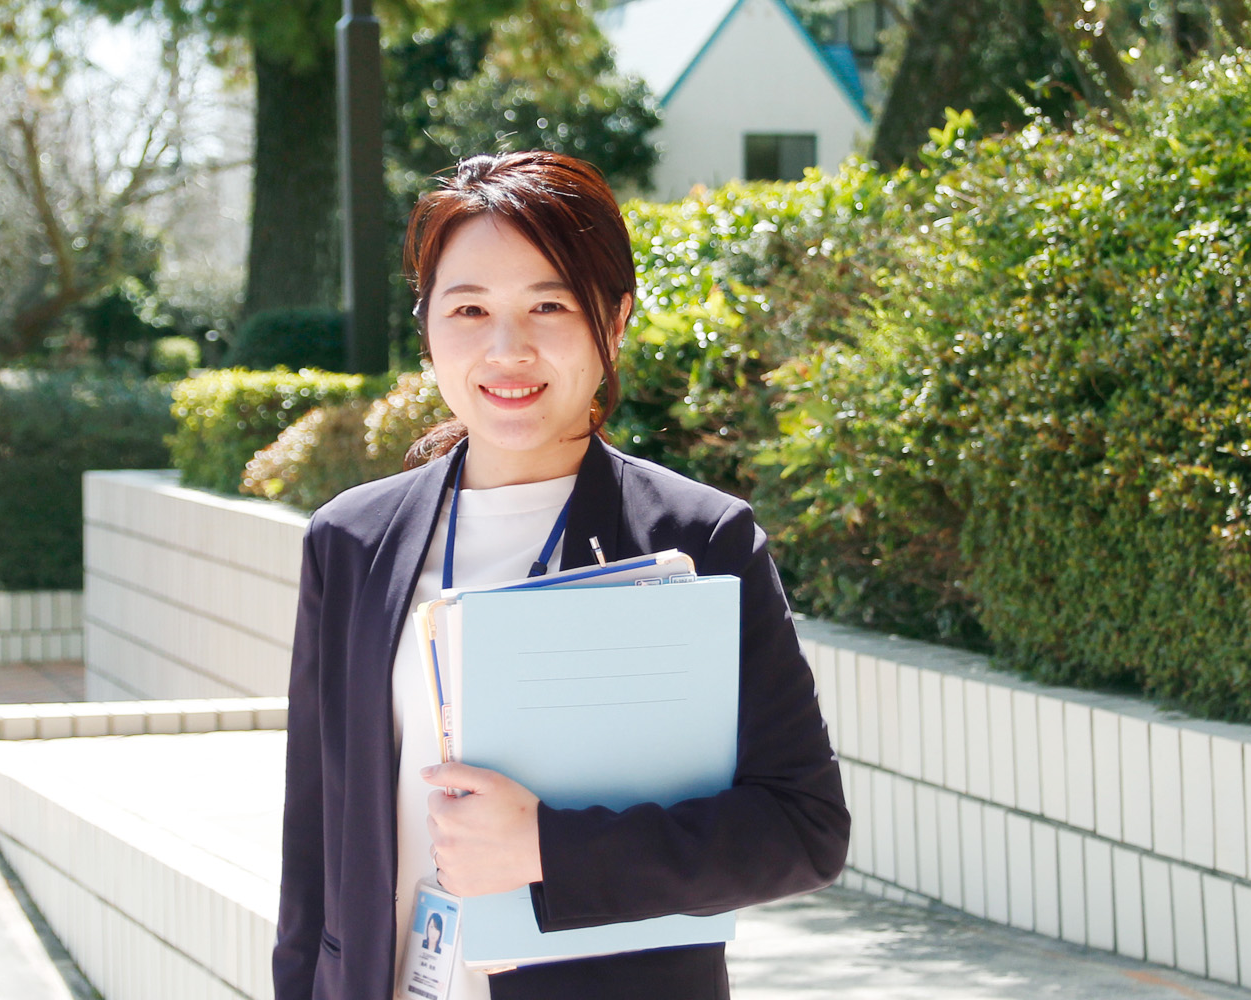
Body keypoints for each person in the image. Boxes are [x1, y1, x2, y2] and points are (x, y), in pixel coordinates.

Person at [273, 151, 849, 1000]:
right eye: (469, 308)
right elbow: (314, 846)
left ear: (612, 322)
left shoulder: (697, 538)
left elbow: (803, 829)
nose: (508, 349)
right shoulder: (353, 541)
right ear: (428, 326)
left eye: (549, 305)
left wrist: (546, 847)